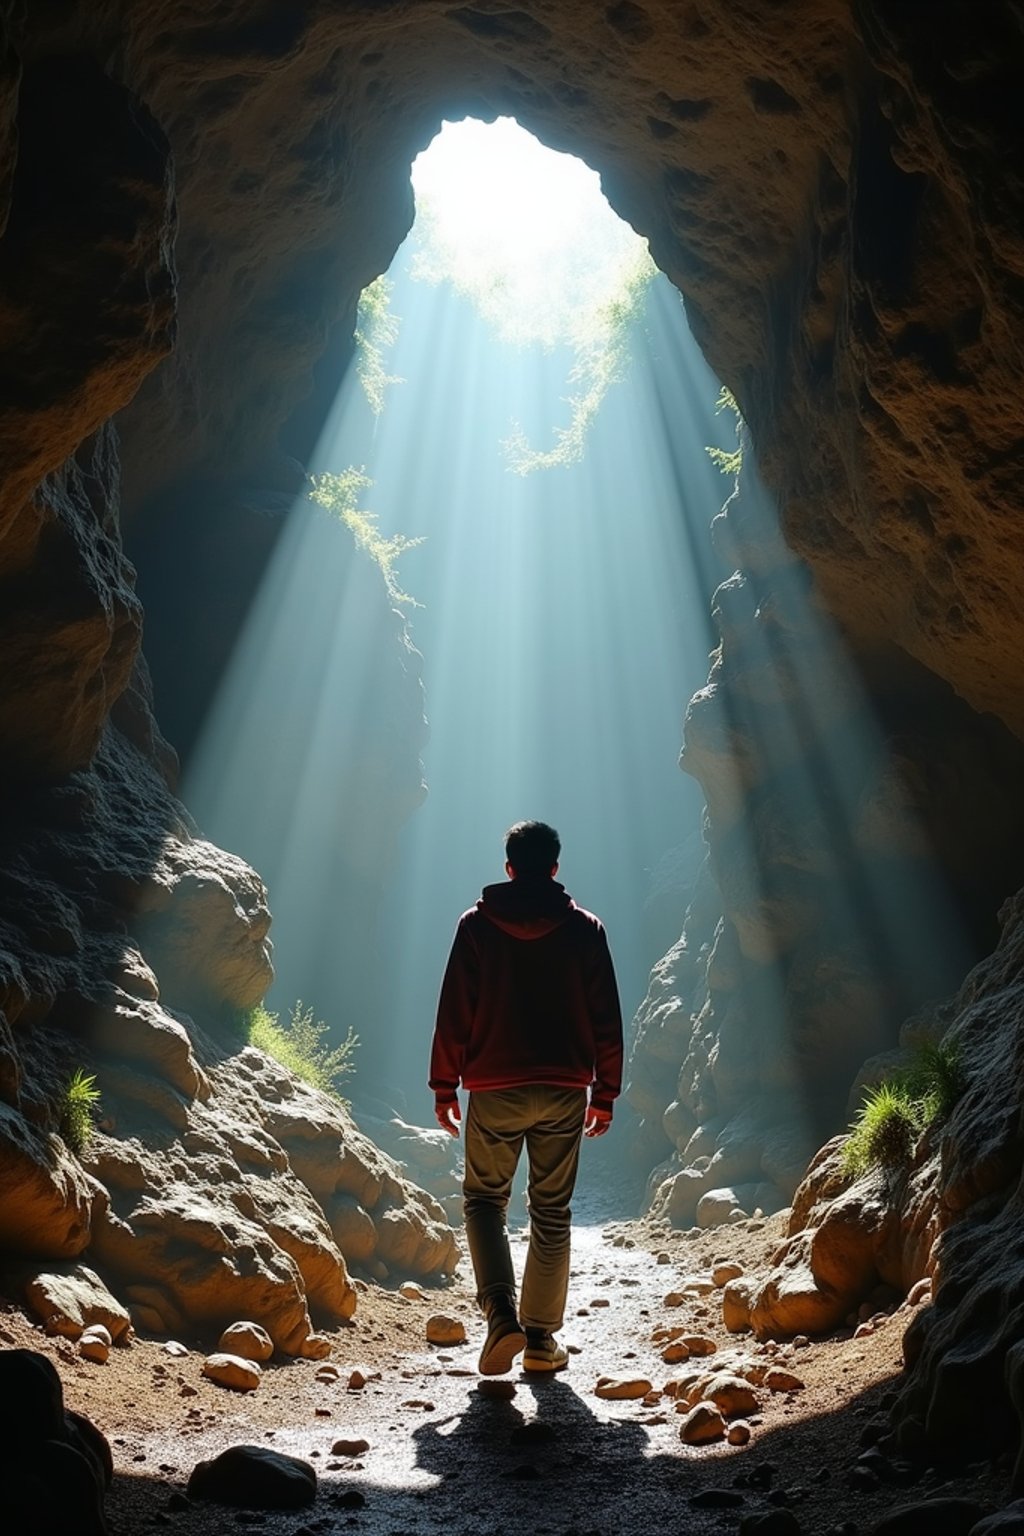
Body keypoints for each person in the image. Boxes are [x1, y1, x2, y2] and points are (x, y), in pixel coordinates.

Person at [428, 820, 623, 1375]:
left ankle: (500, 1319)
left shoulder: (476, 926)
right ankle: (540, 1342)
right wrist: (604, 1093)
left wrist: (445, 1085)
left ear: (509, 868)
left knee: (485, 1202)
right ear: (555, 869)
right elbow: (606, 1018)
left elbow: (454, 1013)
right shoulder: (586, 929)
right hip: (564, 1090)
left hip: (493, 1090)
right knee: (552, 1211)